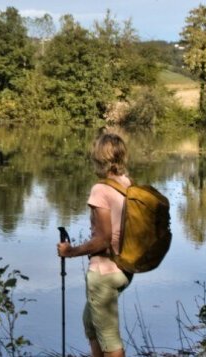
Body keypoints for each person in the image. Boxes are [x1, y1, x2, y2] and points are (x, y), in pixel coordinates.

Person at [57, 132, 132, 357]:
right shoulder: (126, 183)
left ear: (99, 158)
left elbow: (103, 239)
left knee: (109, 339)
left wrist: (70, 251)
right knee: (90, 323)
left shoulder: (101, 189)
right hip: (125, 267)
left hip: (105, 272)